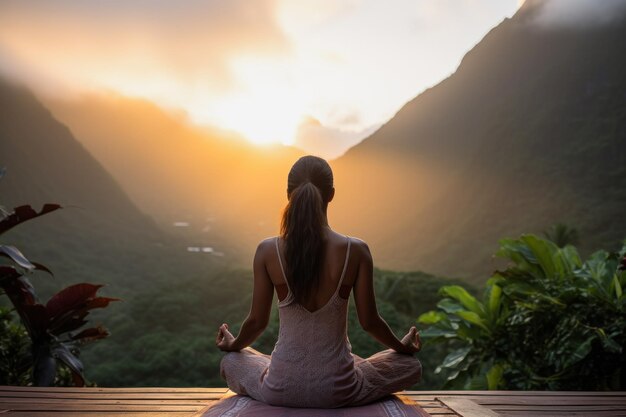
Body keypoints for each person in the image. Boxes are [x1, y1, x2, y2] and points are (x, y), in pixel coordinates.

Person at [216, 155, 421, 408]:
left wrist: (234, 344)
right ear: (331, 194)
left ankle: (278, 368)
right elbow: (370, 323)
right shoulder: (355, 251)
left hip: (279, 388)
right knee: (409, 365)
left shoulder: (267, 251)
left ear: (288, 193)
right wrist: (402, 347)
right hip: (340, 390)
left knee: (232, 360)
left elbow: (257, 322)